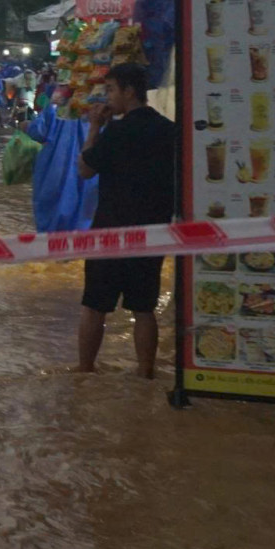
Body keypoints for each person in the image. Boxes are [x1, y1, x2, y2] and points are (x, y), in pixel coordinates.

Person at [75, 62, 179, 376]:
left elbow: (85, 169)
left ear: (129, 91)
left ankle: (85, 372)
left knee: (95, 306)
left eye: (111, 90)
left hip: (110, 232)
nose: (107, 97)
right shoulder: (169, 130)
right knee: (144, 309)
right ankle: (146, 375)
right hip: (152, 233)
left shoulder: (116, 132)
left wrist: (95, 128)